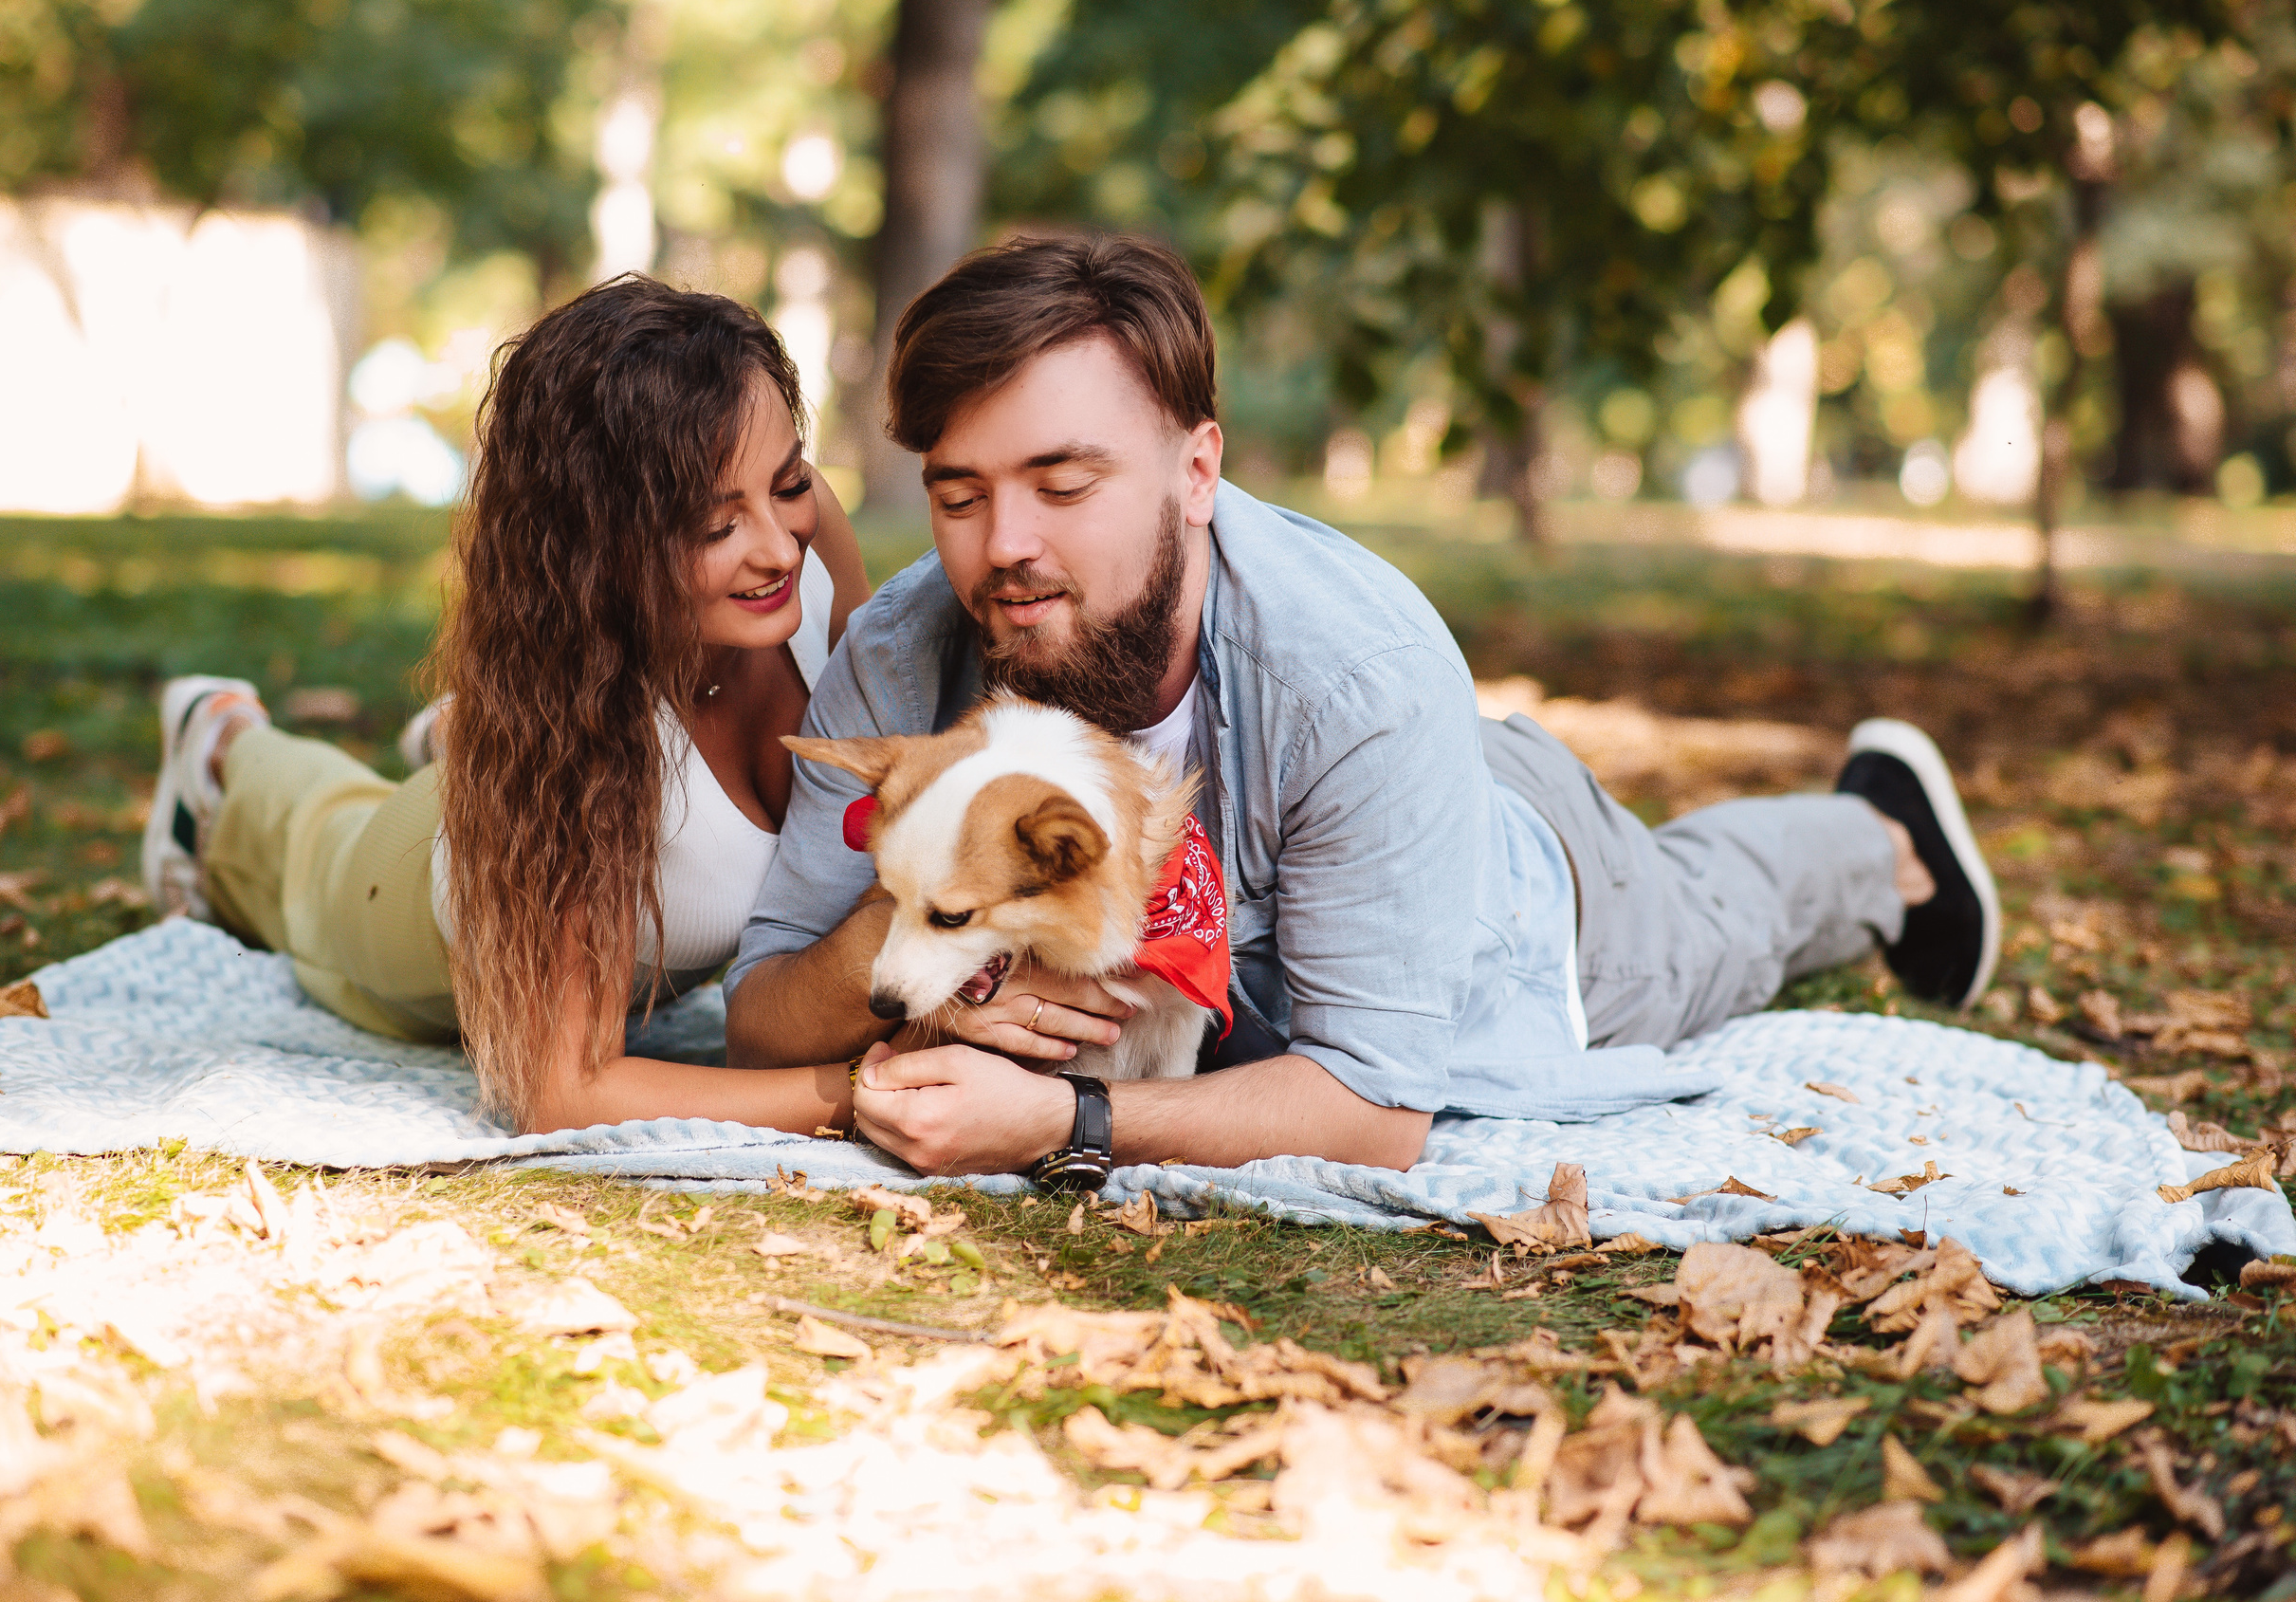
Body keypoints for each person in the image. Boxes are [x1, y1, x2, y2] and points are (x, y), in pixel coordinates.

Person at [725, 233, 1999, 1180]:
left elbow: (1372, 1111)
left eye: (1063, 485)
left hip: (1530, 905)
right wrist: (925, 970)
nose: (1003, 543)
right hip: (1379, 793)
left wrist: (1069, 1122)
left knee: (1720, 916)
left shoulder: (1357, 673)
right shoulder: (903, 652)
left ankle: (1885, 834)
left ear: (1197, 472)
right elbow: (762, 1012)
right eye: (959, 496)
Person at [139, 277, 874, 1135]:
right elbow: (560, 1094)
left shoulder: (808, 546)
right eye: (717, 528)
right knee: (315, 840)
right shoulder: (578, 752)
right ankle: (221, 738)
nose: (781, 547)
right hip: (401, 918)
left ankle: (462, 731)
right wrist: (862, 1091)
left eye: (788, 483)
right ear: (601, 549)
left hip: (539, 763)